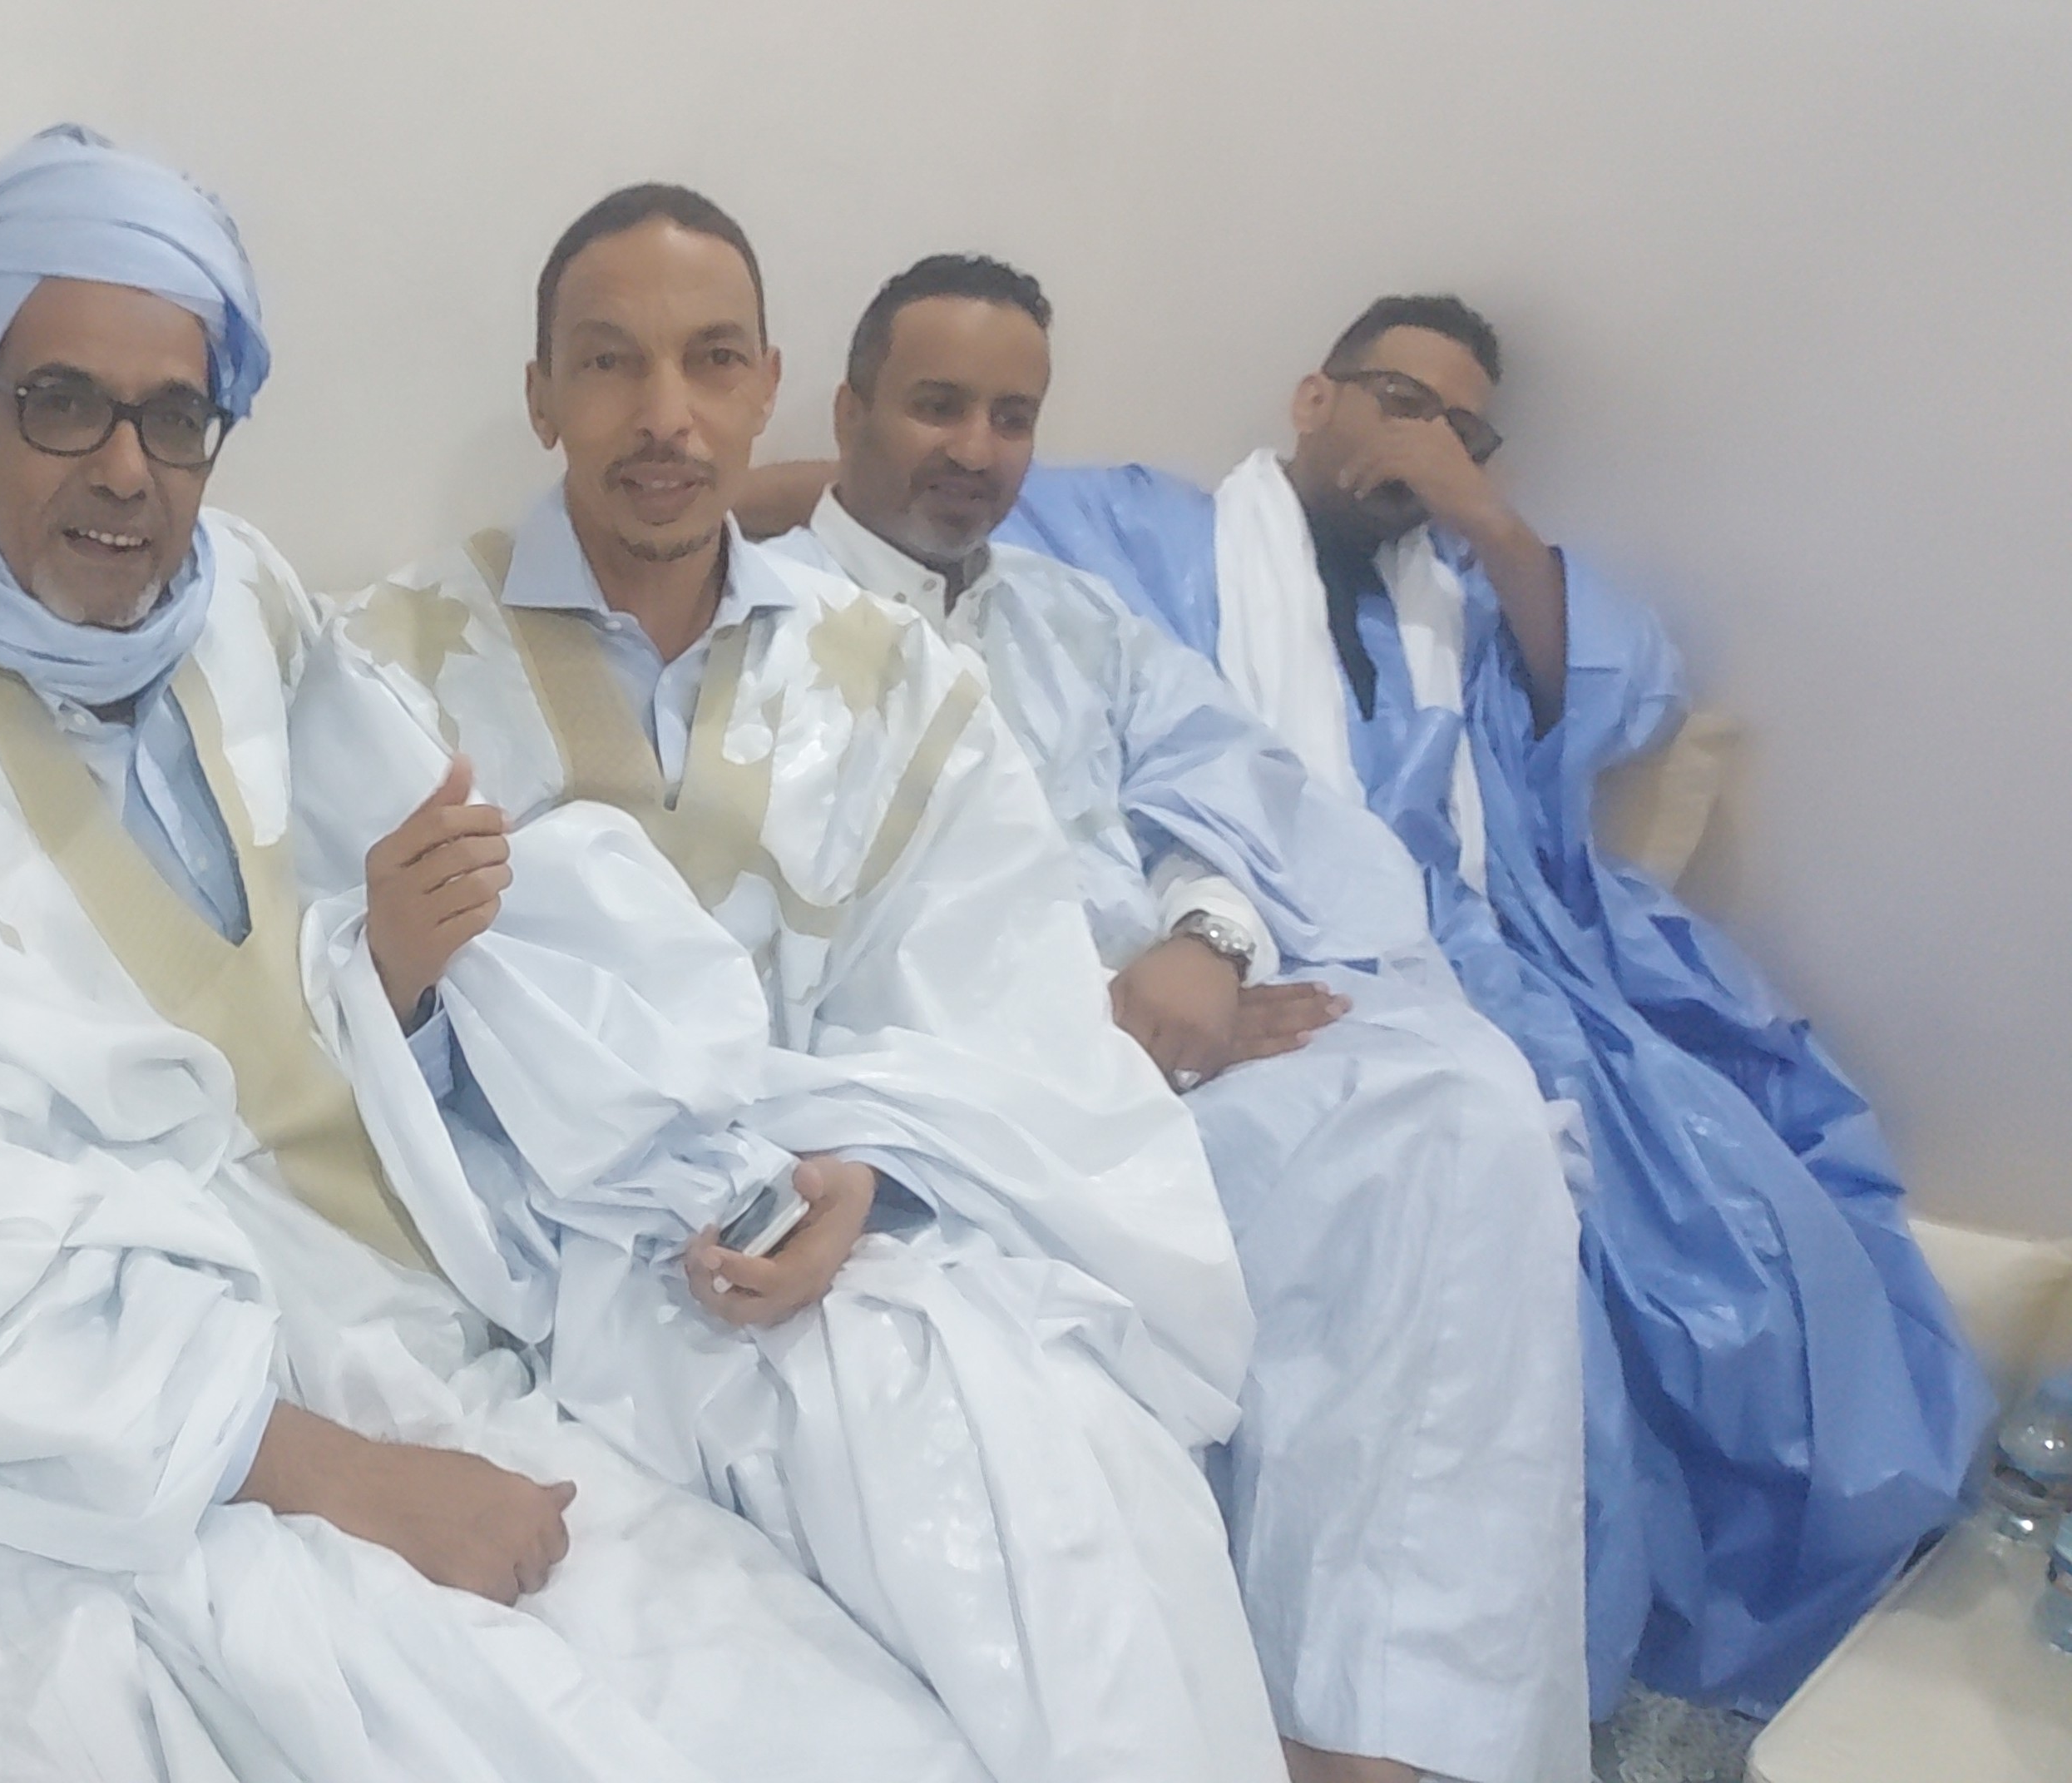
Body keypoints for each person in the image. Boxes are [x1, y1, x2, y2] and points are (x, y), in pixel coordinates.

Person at [0, 126, 987, 1783]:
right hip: (196, 1419)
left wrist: (722, 1149)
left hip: (449, 1296)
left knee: (897, 1635)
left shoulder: (246, 611)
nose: (127, 469)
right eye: (62, 403)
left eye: (176, 416)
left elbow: (461, 956)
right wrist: (354, 1481)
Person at [326, 183, 1288, 1781]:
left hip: (850, 1248)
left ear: (771, 387)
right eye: (611, 363)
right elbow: (295, 1042)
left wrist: (862, 1177)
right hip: (515, 1263)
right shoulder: (390, 667)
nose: (666, 415)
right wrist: (396, 980)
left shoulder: (902, 683)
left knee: (1077, 1490)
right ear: (542, 396)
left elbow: (1011, 1032)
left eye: (713, 362)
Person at [999, 293, 1990, 1718]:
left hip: (1488, 956)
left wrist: (1482, 514)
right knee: (1507, 1229)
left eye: (1462, 430)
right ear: (1314, 398)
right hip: (1270, 943)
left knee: (1752, 1226)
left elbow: (1630, 691)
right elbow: (918, 497)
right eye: (1399, 402)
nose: (1422, 444)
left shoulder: (1453, 597)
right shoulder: (1153, 532)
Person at [757, 252, 1586, 1783]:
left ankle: (1379, 1730)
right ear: (849, 407)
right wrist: (1087, 1018)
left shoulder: (1072, 614)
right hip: (979, 1084)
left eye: (1014, 417)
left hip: (1173, 1031)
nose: (977, 450)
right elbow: (805, 931)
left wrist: (1208, 940)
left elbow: (1233, 794)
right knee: (1414, 1144)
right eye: (938, 406)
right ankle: (1316, 1732)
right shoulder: (766, 627)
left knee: (1463, 1100)